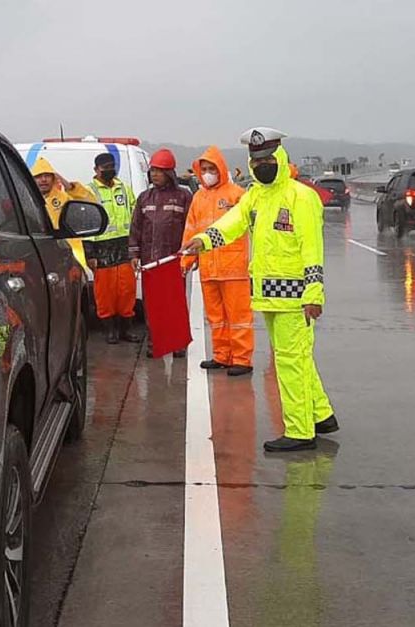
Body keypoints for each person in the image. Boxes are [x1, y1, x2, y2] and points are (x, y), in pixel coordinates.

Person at [183, 127, 338, 453]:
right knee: (296, 357)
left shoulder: (301, 197)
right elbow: (232, 223)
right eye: (257, 160)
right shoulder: (255, 196)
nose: (263, 164)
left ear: (279, 157)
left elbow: (312, 249)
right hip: (268, 294)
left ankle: (299, 431)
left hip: (296, 298)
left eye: (268, 158)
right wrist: (203, 241)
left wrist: (313, 294)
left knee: (290, 362)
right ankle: (321, 415)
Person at [182, 145, 254, 376]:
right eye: (203, 168)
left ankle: (242, 359)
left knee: (239, 317)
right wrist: (186, 259)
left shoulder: (237, 195)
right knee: (216, 317)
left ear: (220, 168)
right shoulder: (198, 198)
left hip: (234, 268)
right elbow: (191, 230)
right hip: (208, 267)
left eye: (211, 168)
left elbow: (249, 227)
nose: (207, 172)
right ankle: (222, 355)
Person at [129, 148, 192, 358]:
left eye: (159, 170)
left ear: (170, 173)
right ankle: (155, 342)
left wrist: (189, 255)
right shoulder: (144, 198)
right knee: (152, 306)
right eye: (153, 170)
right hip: (149, 262)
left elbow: (190, 227)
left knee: (174, 303)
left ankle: (178, 343)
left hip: (173, 260)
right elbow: (135, 228)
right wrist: (134, 255)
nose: (155, 174)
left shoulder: (183, 196)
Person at [86, 152, 141, 344]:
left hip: (124, 246)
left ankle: (126, 329)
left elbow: (135, 216)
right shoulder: (90, 191)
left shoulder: (124, 189)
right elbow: (86, 225)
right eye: (104, 168)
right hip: (101, 249)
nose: (109, 170)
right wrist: (89, 253)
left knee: (127, 291)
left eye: (111, 167)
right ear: (96, 169)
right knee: (105, 294)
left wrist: (137, 245)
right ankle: (110, 331)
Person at [31, 156, 96, 270]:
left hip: (68, 255)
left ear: (54, 178)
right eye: (39, 177)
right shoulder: (26, 199)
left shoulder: (64, 197)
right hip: (37, 254)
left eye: (47, 176)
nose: (43, 180)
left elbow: (90, 202)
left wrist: (70, 187)